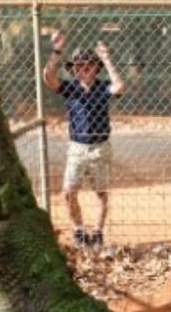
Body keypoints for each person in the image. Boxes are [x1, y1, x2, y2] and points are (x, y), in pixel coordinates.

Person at [42, 31, 124, 247]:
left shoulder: (102, 87)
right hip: (77, 147)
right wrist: (57, 50)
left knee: (101, 193)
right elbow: (48, 77)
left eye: (87, 66)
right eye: (78, 67)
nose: (82, 70)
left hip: (100, 147)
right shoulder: (71, 88)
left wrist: (106, 59)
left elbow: (119, 86)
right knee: (68, 193)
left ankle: (97, 232)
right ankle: (79, 230)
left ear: (95, 68)